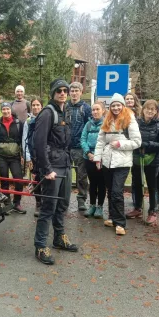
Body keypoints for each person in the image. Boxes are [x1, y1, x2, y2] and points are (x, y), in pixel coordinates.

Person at [34, 79, 77, 265]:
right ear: (53, 93)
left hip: (65, 164)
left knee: (63, 205)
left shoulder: (64, 111)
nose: (62, 93)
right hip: (53, 167)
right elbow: (39, 144)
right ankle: (40, 246)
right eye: (58, 90)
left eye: (65, 90)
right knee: (48, 207)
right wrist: (46, 169)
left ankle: (59, 238)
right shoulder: (47, 113)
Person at [94, 93, 141, 236]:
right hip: (107, 160)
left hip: (122, 162)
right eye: (113, 105)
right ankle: (113, 218)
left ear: (122, 105)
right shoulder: (107, 120)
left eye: (118, 105)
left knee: (116, 192)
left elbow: (137, 142)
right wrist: (98, 158)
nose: (115, 108)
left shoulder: (129, 120)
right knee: (110, 191)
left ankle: (120, 223)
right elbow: (100, 141)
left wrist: (120, 144)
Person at [125, 100, 159, 225]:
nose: (150, 111)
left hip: (153, 159)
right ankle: (138, 207)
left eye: (153, 109)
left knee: (152, 185)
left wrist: (147, 144)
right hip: (137, 157)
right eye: (147, 109)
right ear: (143, 110)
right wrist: (137, 144)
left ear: (156, 111)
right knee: (137, 183)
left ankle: (152, 211)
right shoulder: (135, 123)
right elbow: (129, 137)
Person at [0, 102, 25, 214]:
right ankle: (7, 204)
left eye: (7, 109)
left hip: (15, 156)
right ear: (1, 111)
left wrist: (22, 156)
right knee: (4, 181)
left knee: (18, 180)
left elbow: (22, 141)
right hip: (1, 157)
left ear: (11, 110)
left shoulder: (18, 123)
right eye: (4, 109)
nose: (6, 111)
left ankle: (17, 203)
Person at [66, 82, 91, 211]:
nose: (74, 93)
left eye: (77, 90)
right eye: (72, 91)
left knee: (81, 175)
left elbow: (89, 127)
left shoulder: (86, 108)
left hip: (80, 147)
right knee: (65, 174)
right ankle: (64, 198)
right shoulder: (65, 106)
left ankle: (81, 199)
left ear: (81, 92)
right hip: (66, 147)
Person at [81, 102, 106, 219]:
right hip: (88, 157)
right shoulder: (88, 125)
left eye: (97, 109)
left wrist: (98, 155)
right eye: (93, 110)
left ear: (103, 111)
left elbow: (108, 141)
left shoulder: (106, 124)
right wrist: (88, 153)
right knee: (92, 183)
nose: (95, 112)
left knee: (101, 183)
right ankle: (92, 205)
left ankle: (100, 206)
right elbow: (83, 139)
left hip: (101, 158)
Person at [22, 97, 43, 217]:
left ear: (41, 106)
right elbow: (25, 140)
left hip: (44, 155)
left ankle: (46, 202)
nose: (35, 107)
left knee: (46, 179)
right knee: (36, 180)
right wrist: (28, 158)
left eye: (37, 105)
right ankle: (38, 203)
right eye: (33, 105)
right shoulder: (28, 122)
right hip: (33, 155)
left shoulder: (46, 119)